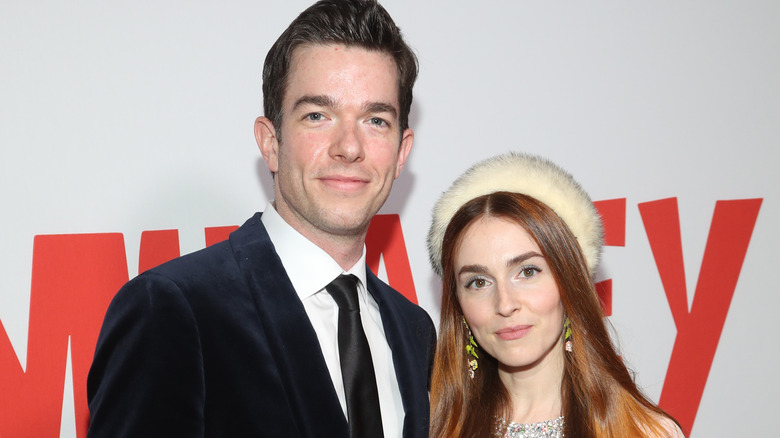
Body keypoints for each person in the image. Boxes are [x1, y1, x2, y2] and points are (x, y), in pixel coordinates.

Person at [86, 1, 435, 437]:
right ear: (270, 143)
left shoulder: (414, 331)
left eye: (375, 119)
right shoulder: (175, 311)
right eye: (317, 116)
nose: (349, 147)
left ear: (401, 152)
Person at [426, 152, 684, 438]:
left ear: (568, 281)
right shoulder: (430, 428)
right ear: (459, 305)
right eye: (478, 282)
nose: (505, 303)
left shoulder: (644, 432)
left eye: (527, 272)